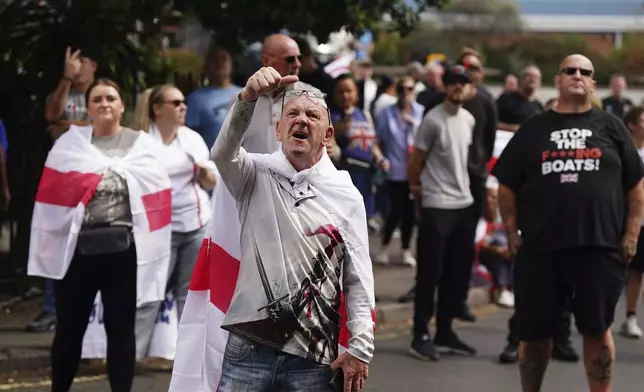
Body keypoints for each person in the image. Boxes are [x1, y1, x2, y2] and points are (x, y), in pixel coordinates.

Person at [212, 67, 375, 392]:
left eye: (312, 115)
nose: (301, 120)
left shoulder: (345, 195)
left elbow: (358, 278)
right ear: (279, 129)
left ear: (327, 135)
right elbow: (223, 152)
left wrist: (360, 346)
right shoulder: (254, 174)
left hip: (312, 356)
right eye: (293, 114)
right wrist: (247, 99)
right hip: (249, 347)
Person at [492, 54, 644, 392]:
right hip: (541, 250)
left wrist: (631, 234)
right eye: (569, 70)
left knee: (597, 329)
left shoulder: (612, 126)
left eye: (585, 72)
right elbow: (506, 186)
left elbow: (636, 186)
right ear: (557, 80)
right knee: (533, 335)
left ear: (592, 84)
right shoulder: (534, 128)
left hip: (599, 248)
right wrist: (511, 233)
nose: (577, 75)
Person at [27, 78, 172, 392]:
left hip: (125, 253)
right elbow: (53, 196)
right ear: (88, 108)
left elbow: (158, 195)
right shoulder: (70, 145)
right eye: (97, 100)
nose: (104, 103)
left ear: (122, 106)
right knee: (69, 330)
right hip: (76, 253)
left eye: (110, 98)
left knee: (121, 331)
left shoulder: (143, 145)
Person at [134, 84, 218, 363]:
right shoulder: (143, 141)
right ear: (158, 109)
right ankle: (131, 358)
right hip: (159, 228)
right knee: (150, 293)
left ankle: (191, 360)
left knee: (191, 297)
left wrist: (204, 172)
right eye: (176, 102)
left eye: (184, 102)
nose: (183, 107)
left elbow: (211, 182)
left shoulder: (192, 138)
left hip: (195, 223)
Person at [407, 65, 477, 361]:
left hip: (464, 204)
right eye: (452, 82)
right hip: (437, 205)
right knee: (429, 273)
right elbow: (416, 162)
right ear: (445, 87)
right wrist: (417, 195)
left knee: (456, 273)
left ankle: (445, 331)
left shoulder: (469, 119)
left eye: (462, 82)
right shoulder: (432, 120)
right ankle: (420, 333)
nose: (457, 87)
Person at [27, 47, 97, 334]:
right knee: (54, 241)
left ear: (94, 65)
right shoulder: (62, 91)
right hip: (60, 181)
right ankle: (50, 309)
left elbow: (102, 126)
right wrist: (66, 80)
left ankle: (87, 312)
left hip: (93, 178)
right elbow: (51, 116)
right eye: (72, 62)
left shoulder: (103, 94)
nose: (77, 66)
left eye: (81, 61)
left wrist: (65, 126)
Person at [240, 33, 319, 154]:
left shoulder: (313, 97)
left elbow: (326, 142)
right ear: (266, 60)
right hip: (251, 172)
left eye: (299, 58)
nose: (298, 64)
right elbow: (228, 146)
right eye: (290, 59)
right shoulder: (244, 98)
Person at [375, 76, 424, 267]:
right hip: (395, 169)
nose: (406, 93)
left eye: (410, 89)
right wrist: (380, 158)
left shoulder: (420, 112)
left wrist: (412, 122)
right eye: (402, 89)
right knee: (395, 211)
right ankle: (385, 247)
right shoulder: (387, 113)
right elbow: (377, 140)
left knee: (410, 214)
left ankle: (405, 250)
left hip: (415, 170)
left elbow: (426, 137)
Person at [331, 74, 389, 230]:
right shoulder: (331, 116)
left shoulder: (364, 114)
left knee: (362, 227)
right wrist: (341, 126)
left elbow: (372, 143)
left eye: (349, 91)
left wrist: (380, 159)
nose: (345, 95)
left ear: (356, 93)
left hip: (366, 179)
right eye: (340, 92)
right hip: (345, 179)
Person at [185, 48, 242, 149]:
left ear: (232, 65)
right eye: (214, 60)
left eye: (223, 59)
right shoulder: (196, 99)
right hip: (211, 162)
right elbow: (189, 135)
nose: (219, 63)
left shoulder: (244, 93)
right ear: (206, 66)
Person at [619, 105, 644, 339]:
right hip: (623, 220)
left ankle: (631, 317)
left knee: (638, 271)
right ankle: (626, 316)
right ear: (633, 125)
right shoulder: (624, 153)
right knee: (625, 271)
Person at [496, 65, 542, 133]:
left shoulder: (539, 107)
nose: (532, 79)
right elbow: (491, 122)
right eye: (529, 76)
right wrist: (511, 128)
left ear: (540, 83)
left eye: (536, 77)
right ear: (521, 80)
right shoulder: (506, 99)